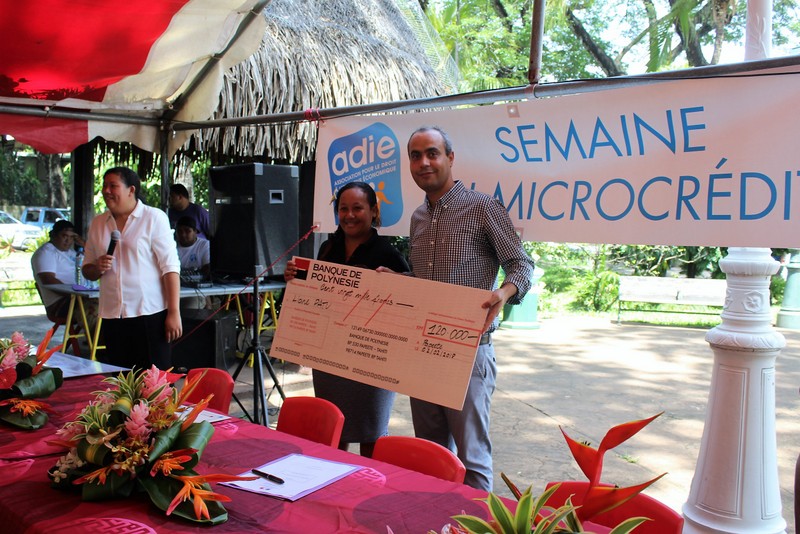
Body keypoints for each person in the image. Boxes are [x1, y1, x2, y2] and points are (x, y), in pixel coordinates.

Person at [399, 126, 534, 491]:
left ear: (450, 158)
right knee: (430, 454)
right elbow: (426, 284)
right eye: (415, 155)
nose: (424, 162)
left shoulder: (483, 207)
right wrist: (394, 283)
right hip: (423, 349)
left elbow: (522, 265)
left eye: (432, 153)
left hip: (469, 351)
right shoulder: (418, 218)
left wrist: (504, 294)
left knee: (472, 461)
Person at [284, 181, 409, 457]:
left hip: (371, 357)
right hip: (330, 355)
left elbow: (407, 306)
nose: (349, 215)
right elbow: (317, 293)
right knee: (334, 429)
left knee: (371, 433)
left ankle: (369, 490)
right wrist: (296, 276)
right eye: (343, 209)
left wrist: (397, 283)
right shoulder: (328, 249)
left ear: (373, 211)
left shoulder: (388, 255)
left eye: (357, 208)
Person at [82, 167, 182, 370]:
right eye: (104, 186)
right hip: (112, 315)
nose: (106, 190)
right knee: (122, 383)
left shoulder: (153, 218)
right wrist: (96, 267)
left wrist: (174, 312)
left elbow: (170, 268)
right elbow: (87, 270)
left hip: (149, 314)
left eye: (113, 186)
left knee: (155, 383)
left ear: (131, 190)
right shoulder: (98, 223)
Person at [31, 219, 84, 321]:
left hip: (78, 298)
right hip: (60, 304)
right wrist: (78, 294)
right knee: (98, 308)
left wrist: (85, 245)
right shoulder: (46, 252)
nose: (68, 241)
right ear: (53, 235)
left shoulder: (71, 252)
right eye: (64, 236)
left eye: (71, 237)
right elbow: (48, 280)